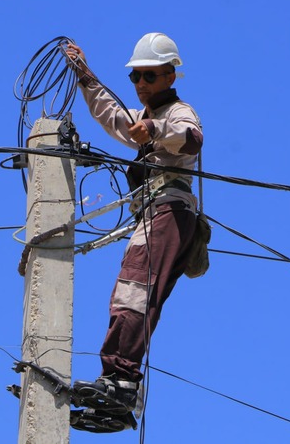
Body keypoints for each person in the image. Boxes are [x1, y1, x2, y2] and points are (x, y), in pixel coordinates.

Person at [66, 33, 204, 431]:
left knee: (133, 292)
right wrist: (86, 78)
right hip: (155, 214)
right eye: (135, 78)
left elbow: (192, 138)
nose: (141, 84)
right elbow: (112, 115)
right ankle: (118, 394)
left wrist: (156, 132)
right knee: (129, 294)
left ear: (168, 75)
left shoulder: (177, 113)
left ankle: (121, 382)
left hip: (168, 211)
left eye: (148, 76)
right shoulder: (145, 119)